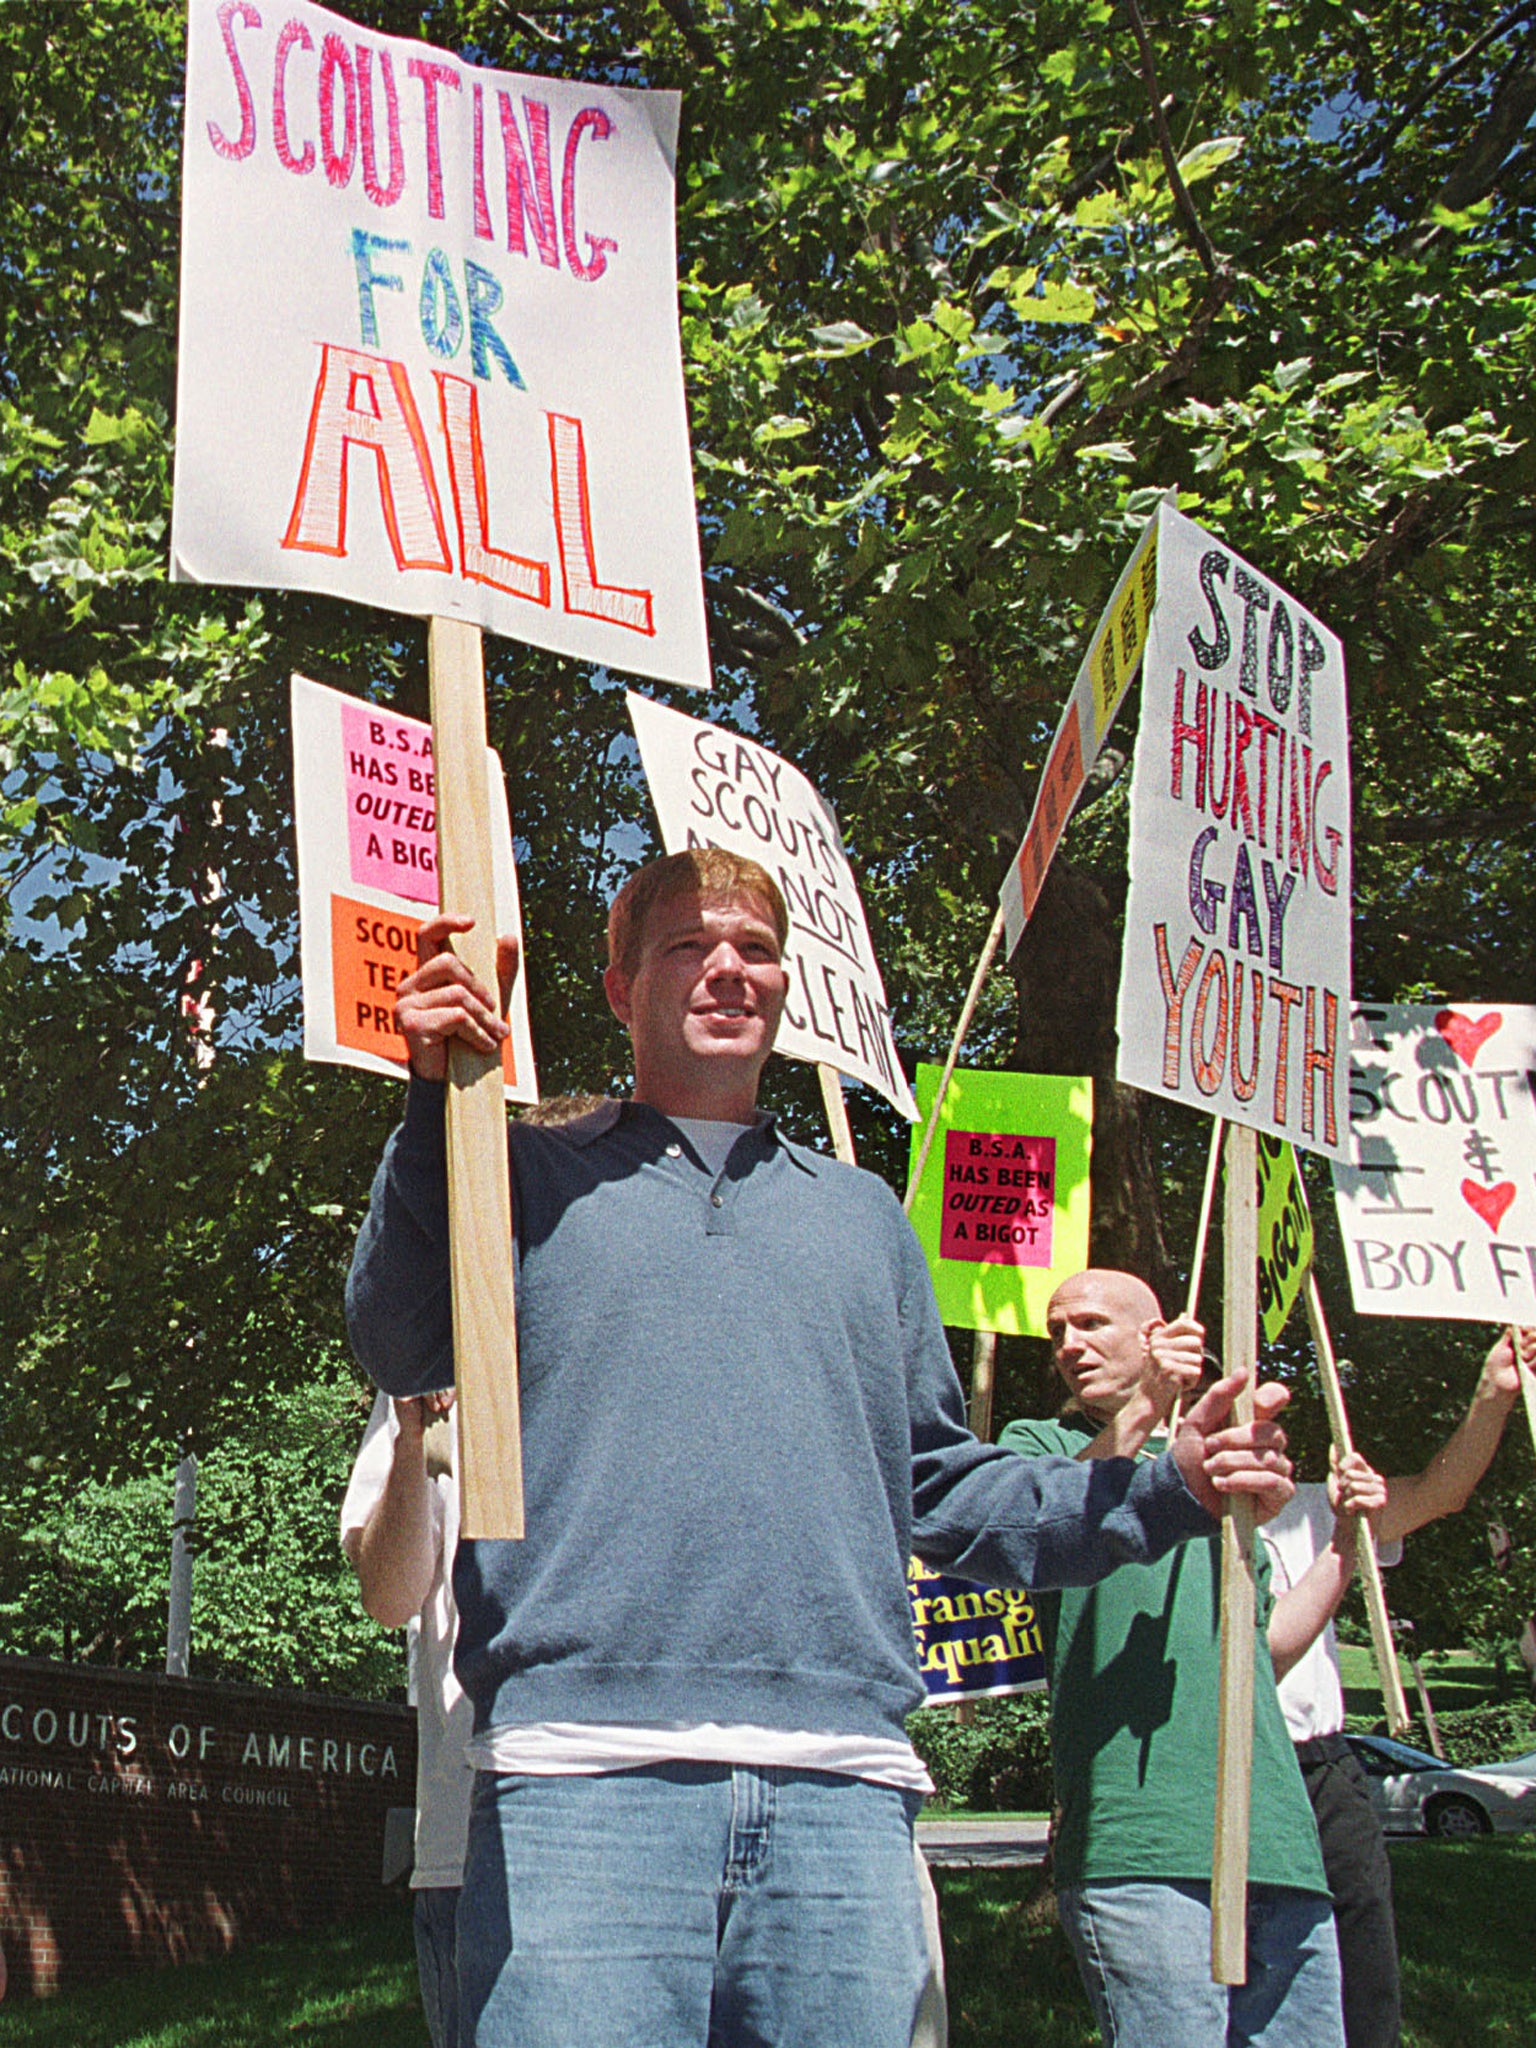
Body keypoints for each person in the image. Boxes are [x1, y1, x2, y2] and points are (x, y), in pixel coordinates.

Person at [346, 847, 1294, 2048]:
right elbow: (396, 1337)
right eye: (687, 945)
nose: (726, 968)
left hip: (842, 1799)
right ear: (618, 987)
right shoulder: (521, 1174)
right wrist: (434, 1100)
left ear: (787, 983)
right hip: (583, 1786)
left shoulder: (864, 1219)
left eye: (753, 946)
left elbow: (945, 1489)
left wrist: (1168, 1484)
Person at [998, 1267, 1341, 2048]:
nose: (1067, 1345)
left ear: (1155, 1334)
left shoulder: (1229, 1469)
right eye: (1057, 1331)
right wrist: (1152, 1406)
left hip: (1277, 1836)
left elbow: (1262, 1649)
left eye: (1089, 1324)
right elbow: (1048, 1515)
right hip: (1140, 1842)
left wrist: (1347, 1545)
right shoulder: (1039, 1446)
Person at [1260, 1325, 1533, 2048]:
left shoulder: (1313, 1507)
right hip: (1217, 1768)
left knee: (1360, 1971)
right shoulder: (1166, 1512)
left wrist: (1491, 1397)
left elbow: (1439, 1493)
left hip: (1318, 1767)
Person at [342, 1386, 471, 2048]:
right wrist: (412, 1438)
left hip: (667, 1798)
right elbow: (388, 1595)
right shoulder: (436, 1344)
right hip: (467, 1848)